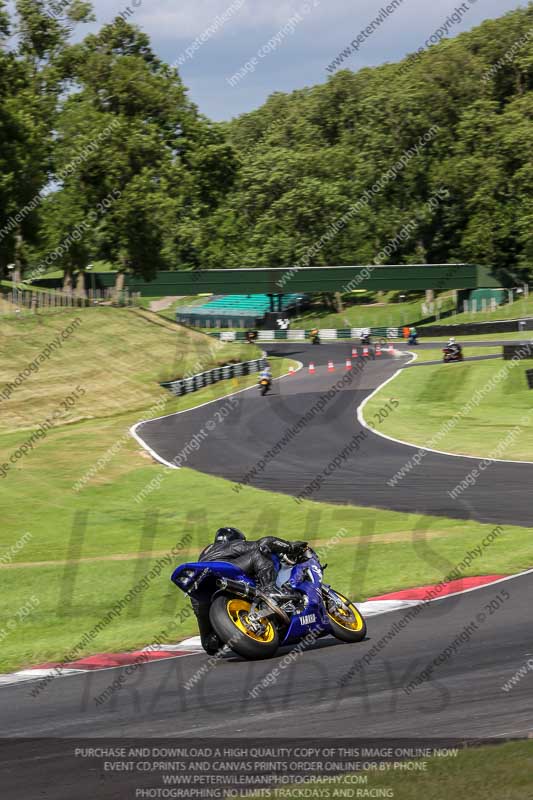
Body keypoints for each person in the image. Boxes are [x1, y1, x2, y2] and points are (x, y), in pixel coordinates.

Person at [191, 528, 307, 654]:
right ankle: (269, 591)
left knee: (209, 642)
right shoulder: (229, 545)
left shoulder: (205, 556)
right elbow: (265, 542)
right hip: (225, 573)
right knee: (258, 553)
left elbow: (210, 648)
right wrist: (290, 547)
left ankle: (222, 633)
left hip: (201, 589)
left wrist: (220, 633)